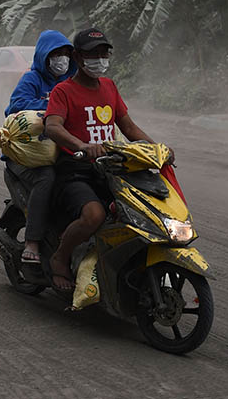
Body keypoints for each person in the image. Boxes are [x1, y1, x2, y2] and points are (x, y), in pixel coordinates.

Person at [44, 28, 174, 291]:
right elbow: (53, 127)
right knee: (94, 215)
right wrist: (82, 145)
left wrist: (157, 149)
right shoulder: (63, 91)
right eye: (94, 54)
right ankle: (60, 257)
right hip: (76, 169)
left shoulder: (109, 87)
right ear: (78, 58)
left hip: (111, 168)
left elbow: (128, 127)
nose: (100, 59)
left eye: (104, 53)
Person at [4, 30, 76, 264]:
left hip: (61, 149)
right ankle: (32, 241)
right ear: (44, 56)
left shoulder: (72, 81)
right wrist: (51, 106)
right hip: (31, 155)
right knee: (46, 178)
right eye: (56, 54)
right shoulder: (31, 79)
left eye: (66, 53)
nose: (62, 59)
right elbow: (15, 107)